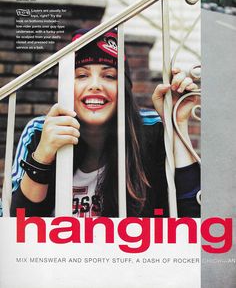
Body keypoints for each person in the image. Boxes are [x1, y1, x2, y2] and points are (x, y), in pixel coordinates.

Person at [10, 28, 200, 218]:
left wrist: (177, 123)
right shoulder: (40, 131)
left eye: (109, 76)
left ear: (123, 89)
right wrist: (42, 157)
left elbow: (193, 217)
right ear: (67, 86)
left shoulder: (151, 130)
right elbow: (14, 224)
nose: (95, 85)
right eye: (82, 75)